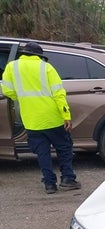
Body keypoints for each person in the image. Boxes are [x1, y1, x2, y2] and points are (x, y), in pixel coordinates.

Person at [1, 41, 80, 194]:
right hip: (53, 118)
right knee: (64, 148)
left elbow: (7, 91)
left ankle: (49, 184)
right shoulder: (46, 68)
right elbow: (59, 94)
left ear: (24, 53)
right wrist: (66, 115)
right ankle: (67, 179)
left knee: (42, 152)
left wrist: (23, 98)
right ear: (39, 56)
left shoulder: (12, 67)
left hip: (31, 120)